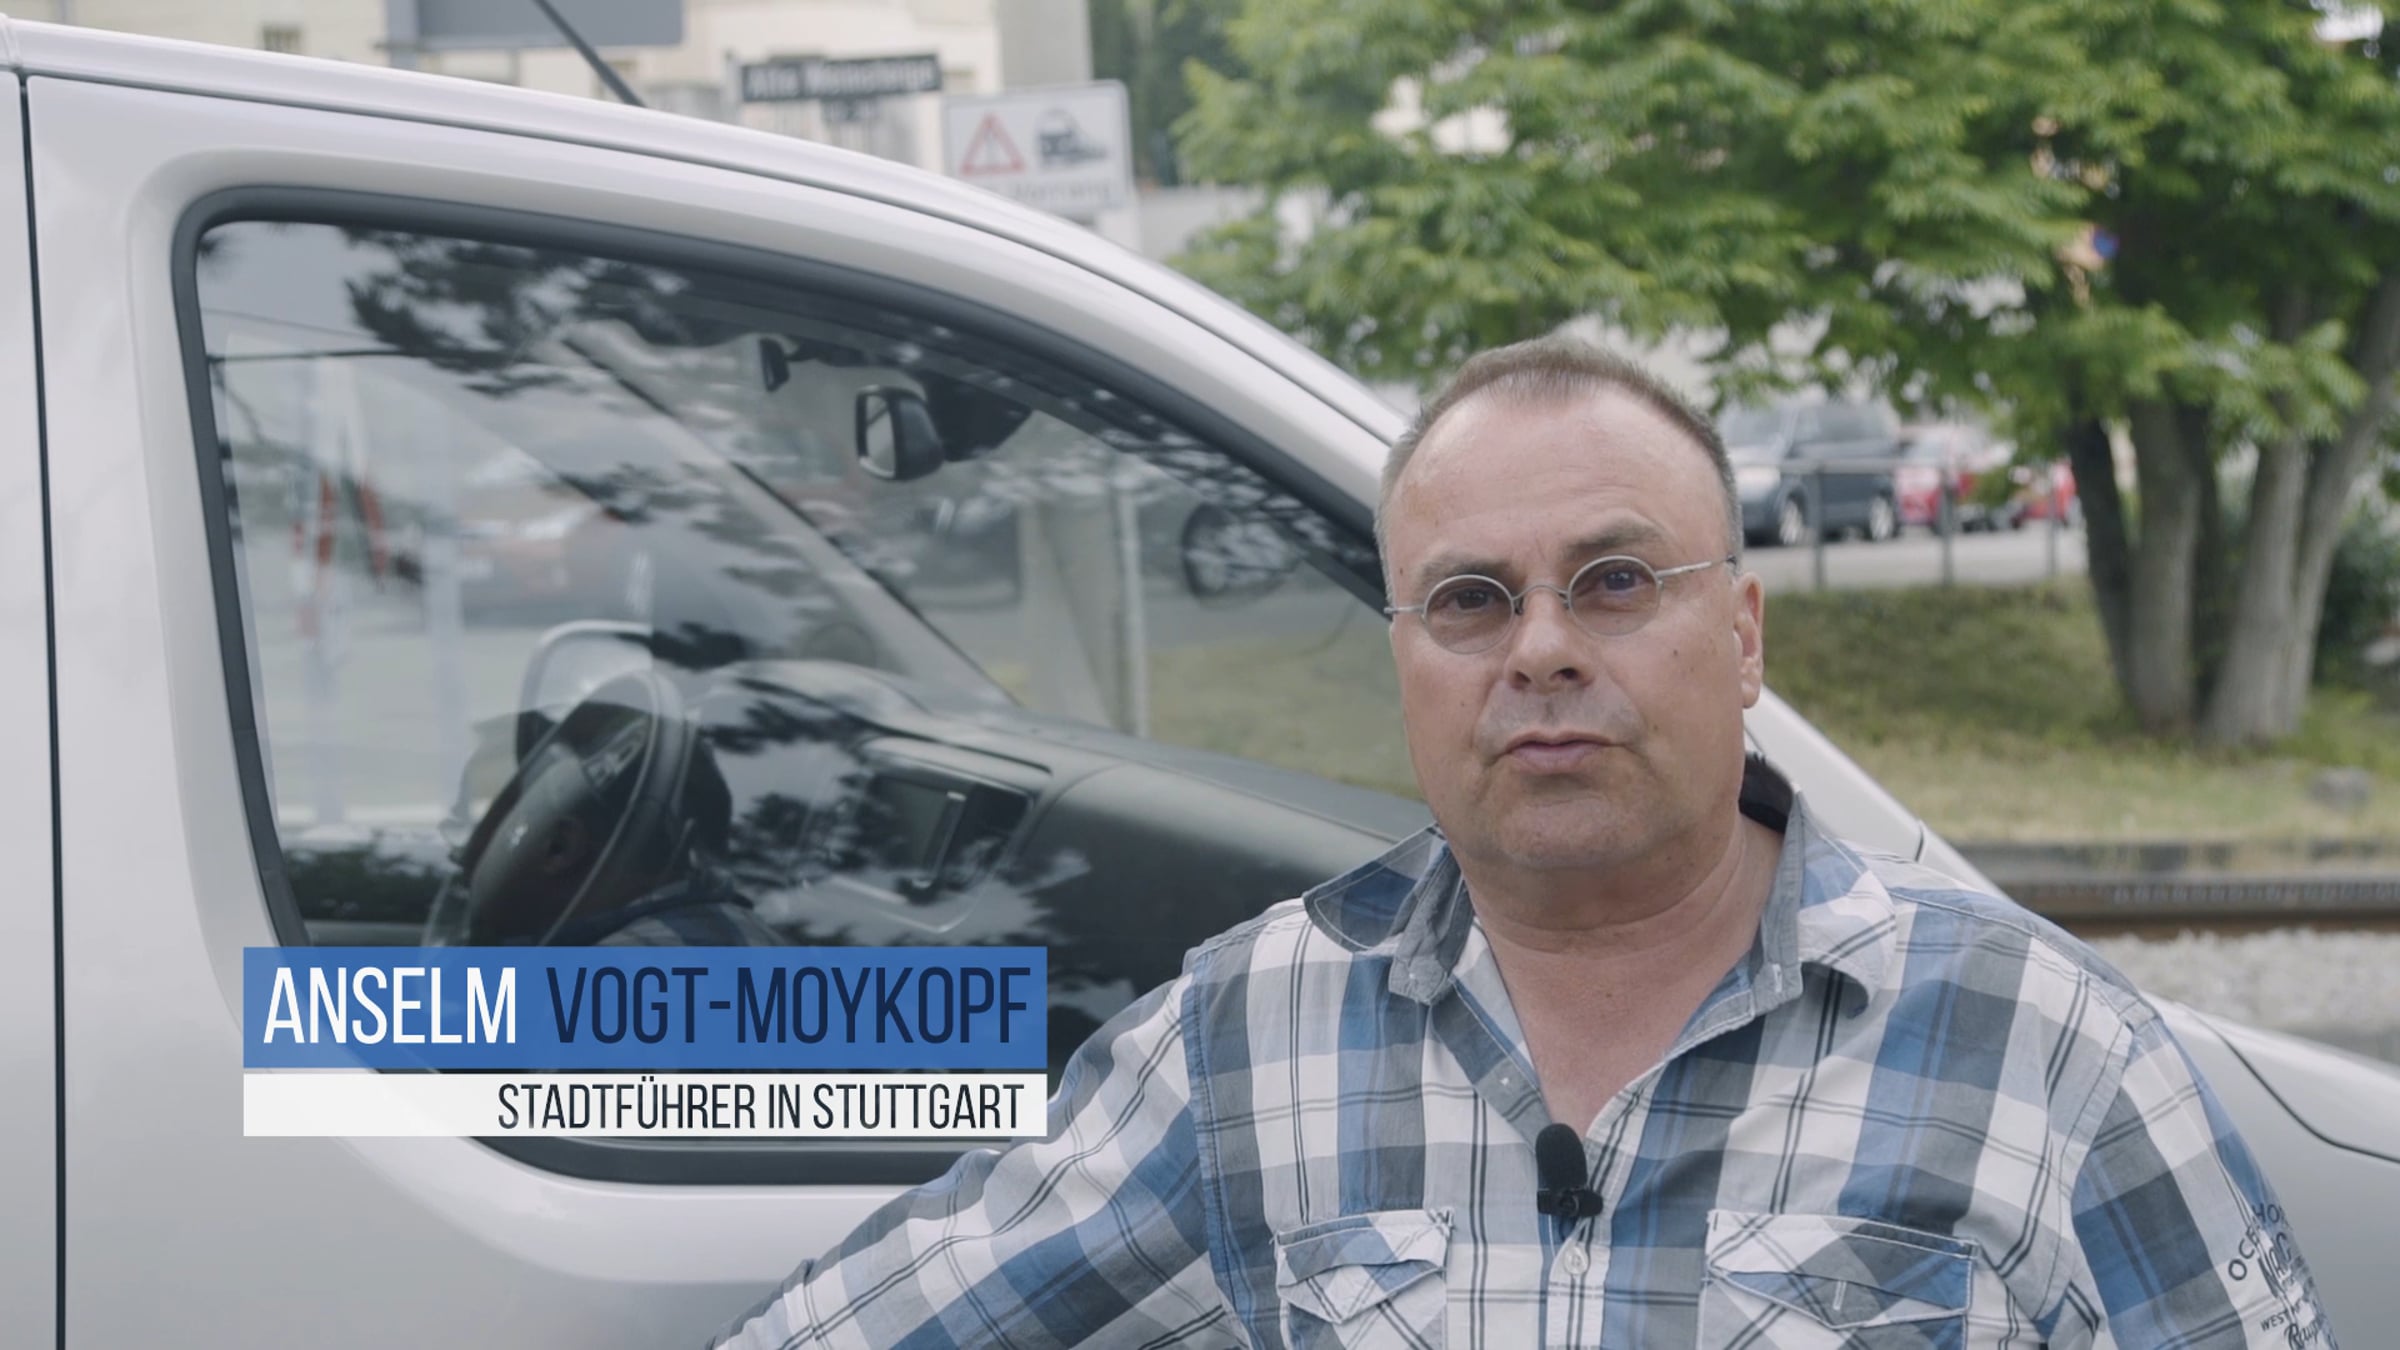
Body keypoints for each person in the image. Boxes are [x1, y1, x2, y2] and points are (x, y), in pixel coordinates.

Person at [711, 338, 2332, 1349]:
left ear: (1745, 636)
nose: (1542, 648)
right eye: (1471, 599)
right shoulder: (1250, 1041)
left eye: (1615, 582)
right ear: (1407, 664)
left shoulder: (2040, 1043)